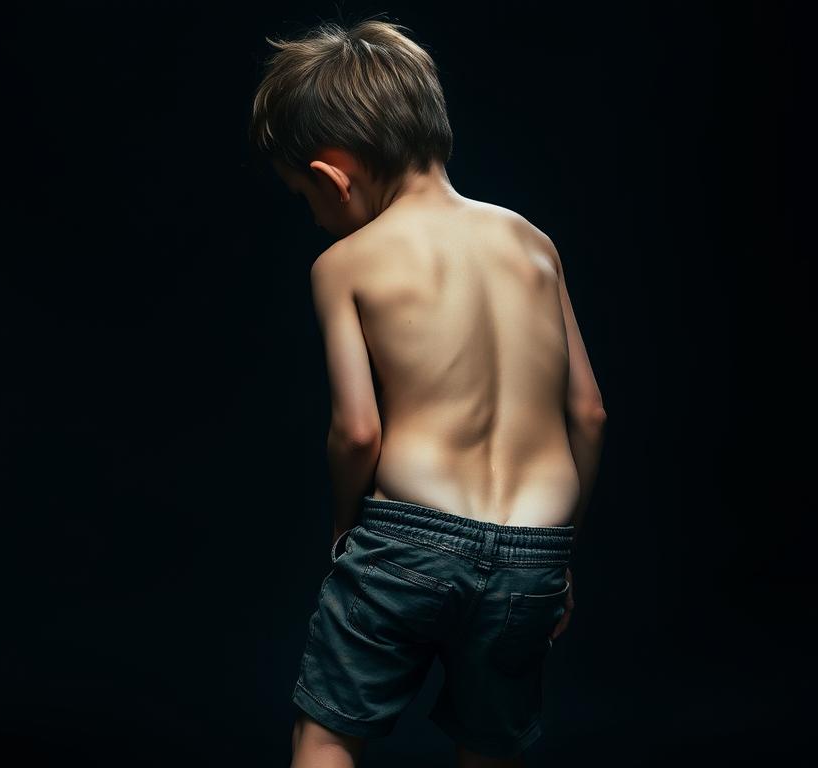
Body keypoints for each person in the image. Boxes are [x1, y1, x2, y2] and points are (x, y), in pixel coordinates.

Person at [248, 15, 607, 768]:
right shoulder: (532, 241)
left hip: (407, 538)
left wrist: (347, 532)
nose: (314, 219)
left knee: (325, 734)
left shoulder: (345, 263)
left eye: (304, 199)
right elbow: (588, 411)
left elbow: (357, 432)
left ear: (330, 176)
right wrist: (557, 558)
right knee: (488, 746)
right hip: (533, 550)